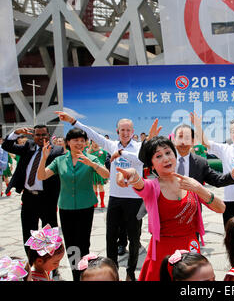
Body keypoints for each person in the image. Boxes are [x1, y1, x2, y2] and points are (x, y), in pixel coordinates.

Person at [116, 136, 226, 281]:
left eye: (168, 153)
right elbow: (138, 181)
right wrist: (131, 174)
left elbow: (221, 208)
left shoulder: (189, 183)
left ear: (175, 155)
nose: (166, 159)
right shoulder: (152, 187)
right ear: (152, 165)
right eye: (158, 156)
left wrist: (199, 189)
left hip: (191, 248)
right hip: (163, 252)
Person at [55, 111, 143, 281]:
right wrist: (73, 121)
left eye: (128, 130)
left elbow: (140, 160)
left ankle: (131, 271)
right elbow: (92, 133)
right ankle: (113, 271)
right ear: (117, 131)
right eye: (122, 130)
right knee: (111, 237)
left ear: (133, 131)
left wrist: (122, 153)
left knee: (134, 237)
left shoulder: (139, 147)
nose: (125, 133)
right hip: (116, 199)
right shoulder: (111, 145)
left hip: (134, 199)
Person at [37, 128, 109, 281]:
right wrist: (44, 158)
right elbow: (42, 176)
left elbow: (106, 174)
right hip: (66, 207)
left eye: (82, 140)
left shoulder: (90, 158)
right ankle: (76, 275)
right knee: (70, 245)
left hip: (86, 206)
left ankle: (84, 275)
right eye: (75, 140)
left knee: (83, 243)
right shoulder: (60, 160)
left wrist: (92, 164)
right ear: (68, 142)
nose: (79, 143)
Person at [1, 125, 64, 258]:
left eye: (43, 135)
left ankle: (51, 265)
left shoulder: (57, 150)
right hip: (29, 197)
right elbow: (6, 146)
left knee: (50, 233)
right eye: (37, 135)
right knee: (28, 233)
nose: (41, 137)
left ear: (48, 135)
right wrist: (16, 133)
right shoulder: (28, 147)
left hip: (48, 199)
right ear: (33, 136)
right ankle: (32, 261)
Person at [87, 140, 109, 208]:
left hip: (100, 170)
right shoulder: (88, 151)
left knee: (101, 186)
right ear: (91, 142)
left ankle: (102, 202)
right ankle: (95, 202)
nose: (95, 143)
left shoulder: (103, 150)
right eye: (93, 141)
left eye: (96, 141)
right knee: (94, 187)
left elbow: (106, 160)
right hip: (92, 170)